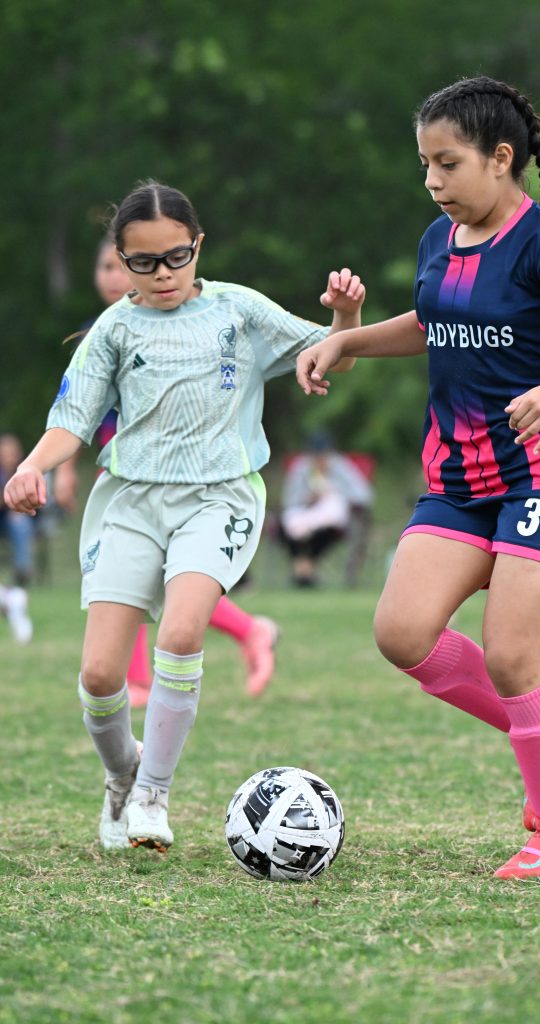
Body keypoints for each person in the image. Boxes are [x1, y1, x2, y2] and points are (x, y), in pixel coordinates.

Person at [296, 77, 540, 879]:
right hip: (459, 478)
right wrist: (346, 338)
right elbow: (432, 322)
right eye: (424, 165)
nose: (432, 181)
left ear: (499, 158)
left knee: (511, 656)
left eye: (447, 164)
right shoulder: (437, 240)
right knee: (401, 633)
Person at [4, 180, 365, 852]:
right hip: (131, 501)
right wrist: (31, 466)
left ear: (198, 246)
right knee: (100, 676)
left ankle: (152, 794)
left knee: (180, 631)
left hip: (219, 498)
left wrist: (346, 317)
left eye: (176, 257)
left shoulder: (237, 310)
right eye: (143, 262)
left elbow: (330, 354)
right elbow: (71, 421)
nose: (163, 274)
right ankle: (122, 774)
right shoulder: (114, 329)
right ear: (122, 259)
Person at [53, 235, 282, 706]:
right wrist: (62, 469)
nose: (112, 277)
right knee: (131, 578)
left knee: (164, 580)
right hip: (124, 475)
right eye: (106, 267)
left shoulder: (195, 323)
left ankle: (163, 670)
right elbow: (78, 412)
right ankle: (242, 632)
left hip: (183, 478)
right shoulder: (103, 331)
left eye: (118, 267)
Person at [279, 430, 374, 586]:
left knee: (324, 528)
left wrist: (333, 492)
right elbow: (289, 500)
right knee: (290, 526)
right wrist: (308, 498)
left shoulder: (340, 467)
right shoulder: (302, 467)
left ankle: (303, 570)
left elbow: (364, 495)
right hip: (303, 515)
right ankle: (305, 571)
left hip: (333, 522)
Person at [0, 433, 34, 643]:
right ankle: (11, 598)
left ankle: (21, 575)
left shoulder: (28, 470)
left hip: (20, 521)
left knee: (19, 523)